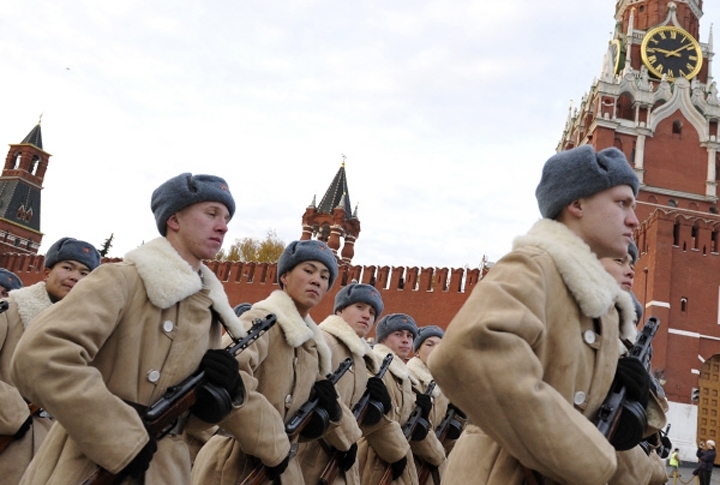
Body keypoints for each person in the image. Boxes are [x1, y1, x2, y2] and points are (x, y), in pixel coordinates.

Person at [429, 145, 663, 484]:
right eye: (621, 203)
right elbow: (466, 352)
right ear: (576, 204)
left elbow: (585, 418)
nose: (633, 220)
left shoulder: (600, 307)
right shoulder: (535, 267)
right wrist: (587, 459)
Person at [11, 173, 246, 484]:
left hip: (166, 469)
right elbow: (39, 357)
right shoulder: (121, 280)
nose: (223, 226)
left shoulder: (207, 309)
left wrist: (220, 393)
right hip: (91, 462)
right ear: (173, 219)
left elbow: (192, 424)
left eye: (227, 218)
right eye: (212, 213)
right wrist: (120, 435)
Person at [191, 239, 361, 484]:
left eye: (325, 277)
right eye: (308, 270)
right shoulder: (261, 321)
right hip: (234, 465)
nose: (317, 280)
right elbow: (227, 382)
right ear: (285, 276)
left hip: (282, 469)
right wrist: (275, 445)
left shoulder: (311, 345)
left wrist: (332, 417)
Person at [0, 237, 100, 484]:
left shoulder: (90, 335)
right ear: (46, 272)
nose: (75, 277)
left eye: (85, 273)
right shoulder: (9, 311)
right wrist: (13, 411)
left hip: (51, 452)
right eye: (67, 267)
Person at [296, 282, 406, 484]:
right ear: (340, 310)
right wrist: (347, 438)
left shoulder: (364, 360)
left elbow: (364, 416)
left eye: (372, 312)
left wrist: (397, 450)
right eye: (360, 307)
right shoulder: (321, 343)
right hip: (308, 458)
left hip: (343, 463)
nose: (367, 316)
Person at [357, 313, 446, 484]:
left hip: (400, 459)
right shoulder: (373, 366)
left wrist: (422, 420)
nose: (405, 340)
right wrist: (397, 453)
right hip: (374, 460)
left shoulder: (406, 379)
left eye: (410, 336)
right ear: (382, 340)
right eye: (398, 334)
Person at [406, 325, 466, 464]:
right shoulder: (410, 381)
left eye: (440, 345)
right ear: (417, 352)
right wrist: (439, 457)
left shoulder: (446, 387)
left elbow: (448, 442)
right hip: (415, 462)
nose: (436, 349)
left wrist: (459, 420)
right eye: (429, 344)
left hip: (436, 463)